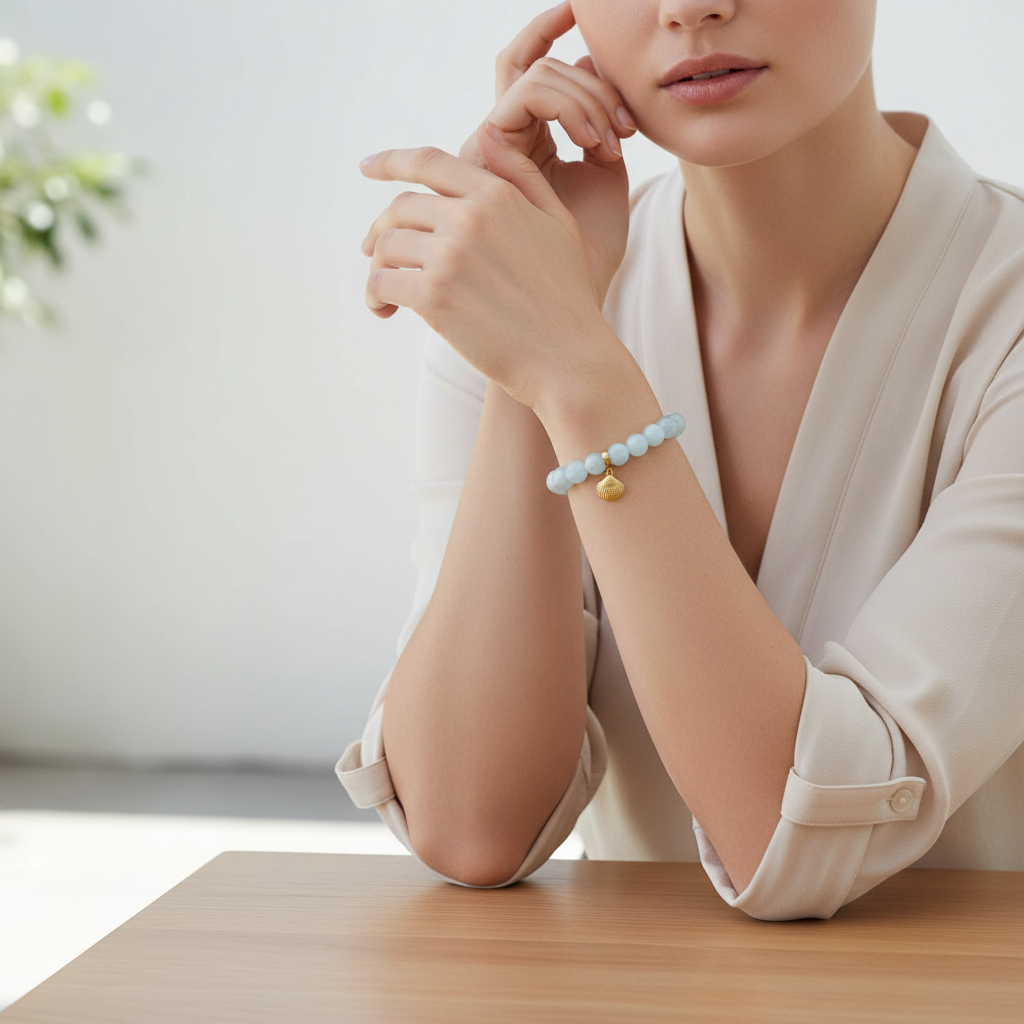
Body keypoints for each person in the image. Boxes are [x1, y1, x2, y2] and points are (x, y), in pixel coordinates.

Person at [338, 0, 1024, 920]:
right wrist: (535, 352)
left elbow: (797, 842)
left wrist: (576, 374)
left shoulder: (1001, 310)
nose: (692, 6)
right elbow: (470, 827)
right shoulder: (531, 296)